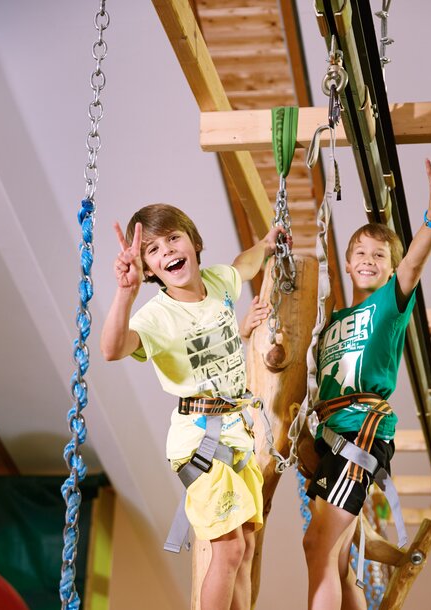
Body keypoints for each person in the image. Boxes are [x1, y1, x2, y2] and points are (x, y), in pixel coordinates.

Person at [100, 203, 289, 610]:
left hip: (239, 433)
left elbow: (244, 266)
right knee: (229, 550)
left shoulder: (218, 282)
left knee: (246, 547)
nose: (167, 251)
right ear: (149, 269)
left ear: (194, 243)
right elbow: (112, 349)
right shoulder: (155, 317)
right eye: (152, 250)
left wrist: (266, 244)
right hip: (200, 438)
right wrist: (125, 293)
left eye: (173, 238)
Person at [302, 155, 431, 609]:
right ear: (347, 265)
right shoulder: (330, 322)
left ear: (390, 270)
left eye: (379, 256)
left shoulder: (389, 305)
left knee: (317, 548)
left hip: (361, 431)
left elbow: (414, 265)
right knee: (341, 558)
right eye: (361, 254)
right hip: (330, 435)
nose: (369, 260)